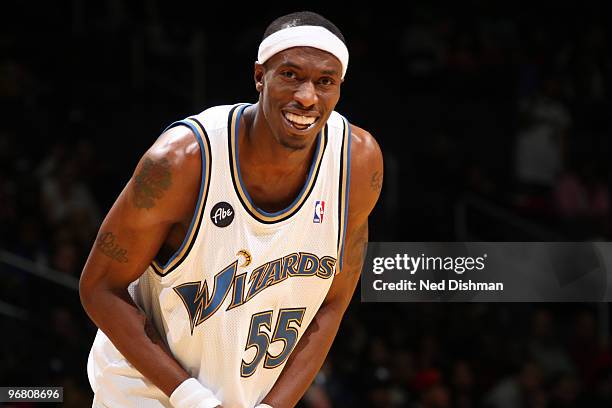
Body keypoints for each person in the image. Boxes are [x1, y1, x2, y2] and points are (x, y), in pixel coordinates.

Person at [79, 11, 383, 408]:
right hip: (145, 391)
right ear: (260, 76)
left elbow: (334, 301)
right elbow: (99, 288)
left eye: (325, 82)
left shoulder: (357, 164)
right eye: (290, 74)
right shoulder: (182, 161)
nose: (307, 97)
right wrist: (195, 401)